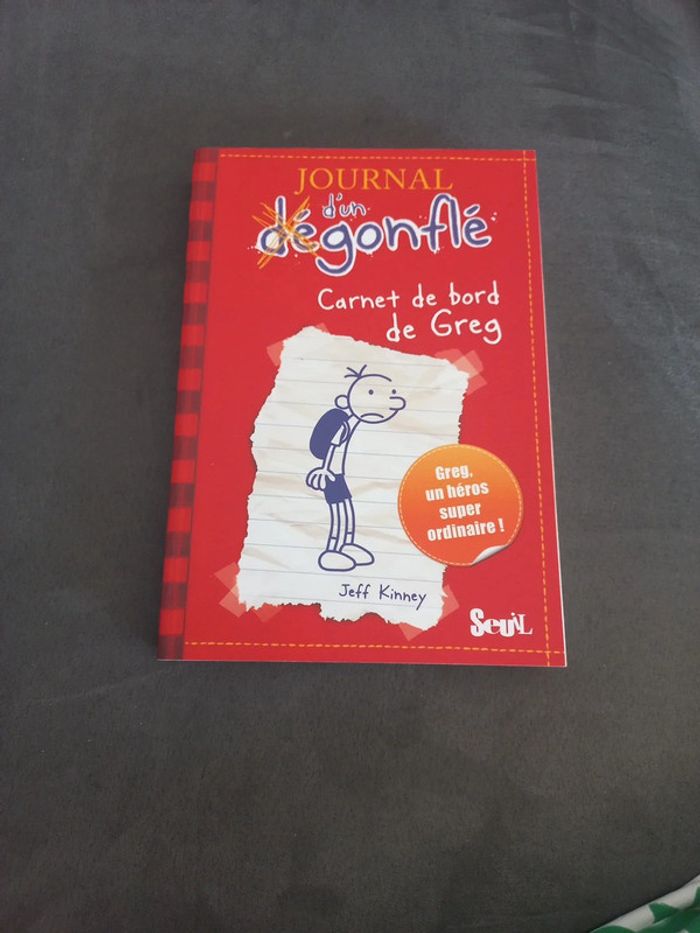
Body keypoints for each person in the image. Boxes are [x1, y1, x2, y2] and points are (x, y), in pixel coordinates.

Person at [306, 365, 407, 571]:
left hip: (339, 476)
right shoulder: (343, 425)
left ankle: (347, 545)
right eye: (370, 393)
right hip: (332, 476)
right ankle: (333, 550)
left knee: (347, 511)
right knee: (340, 513)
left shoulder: (353, 423)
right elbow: (331, 449)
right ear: (345, 400)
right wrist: (324, 470)